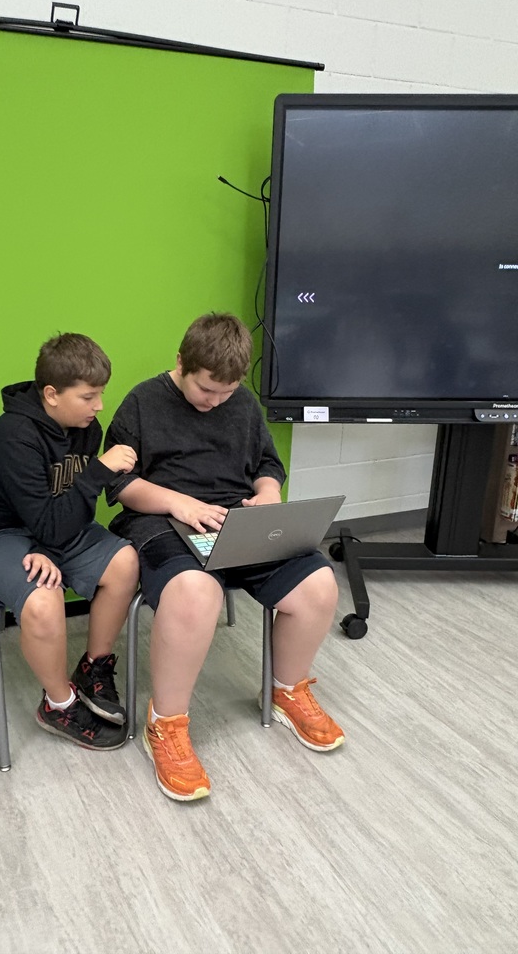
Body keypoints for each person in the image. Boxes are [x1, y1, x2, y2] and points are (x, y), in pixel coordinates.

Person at [104, 312, 343, 801]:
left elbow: (267, 465)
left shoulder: (243, 403)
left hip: (236, 518)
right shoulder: (142, 402)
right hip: (160, 520)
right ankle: (165, 723)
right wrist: (179, 502)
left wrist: (269, 492)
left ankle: (286, 689)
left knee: (319, 584)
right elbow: (120, 485)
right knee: (196, 592)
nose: (215, 402)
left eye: (226, 393)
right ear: (181, 363)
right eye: (205, 390)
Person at [0, 333, 140, 750]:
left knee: (125, 561)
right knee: (44, 596)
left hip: (45, 529)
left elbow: (72, 511)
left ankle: (93, 667)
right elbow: (56, 515)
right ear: (51, 394)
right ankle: (59, 704)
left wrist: (47, 548)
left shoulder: (86, 428)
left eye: (100, 394)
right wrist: (98, 472)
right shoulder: (12, 437)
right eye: (88, 397)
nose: (99, 406)